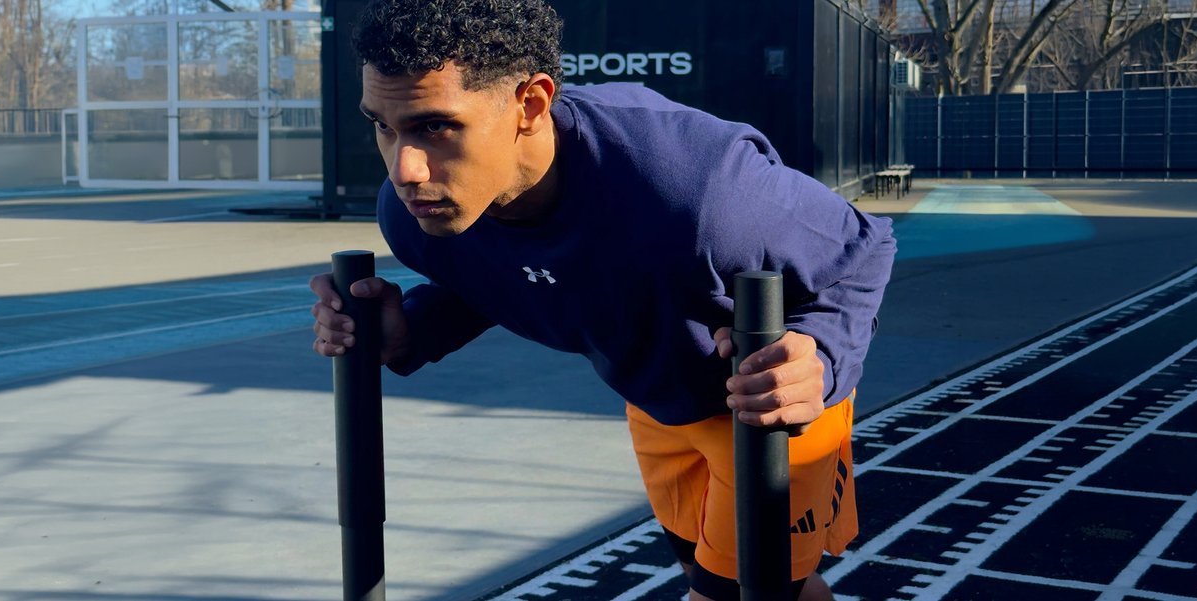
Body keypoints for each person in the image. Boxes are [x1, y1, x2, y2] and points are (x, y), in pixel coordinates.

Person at [308, 0, 896, 599]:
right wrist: (412, 330)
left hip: (770, 406)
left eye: (436, 126)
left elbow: (864, 249)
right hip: (657, 396)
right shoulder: (417, 216)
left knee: (729, 595)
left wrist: (819, 358)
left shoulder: (701, 193)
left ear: (530, 105)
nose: (404, 168)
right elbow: (499, 275)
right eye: (384, 125)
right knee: (746, 584)